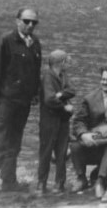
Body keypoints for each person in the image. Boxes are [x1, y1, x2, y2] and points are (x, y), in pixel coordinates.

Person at [0, 7, 42, 200]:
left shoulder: (35, 43)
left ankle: (9, 181)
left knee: (14, 143)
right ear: (17, 21)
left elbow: (35, 72)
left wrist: (35, 94)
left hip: (23, 103)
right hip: (5, 102)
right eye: (26, 21)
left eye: (34, 22)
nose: (30, 25)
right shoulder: (5, 41)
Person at [70, 66, 107, 197]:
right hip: (94, 138)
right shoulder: (89, 98)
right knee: (75, 145)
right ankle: (81, 178)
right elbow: (78, 121)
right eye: (103, 79)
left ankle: (100, 180)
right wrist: (84, 134)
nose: (105, 82)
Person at [37, 50, 75, 195]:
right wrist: (64, 107)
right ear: (61, 62)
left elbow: (72, 90)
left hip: (63, 121)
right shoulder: (48, 76)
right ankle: (41, 184)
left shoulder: (63, 75)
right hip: (49, 120)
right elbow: (49, 99)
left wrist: (60, 94)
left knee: (62, 152)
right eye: (67, 61)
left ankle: (60, 184)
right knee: (46, 152)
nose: (69, 64)